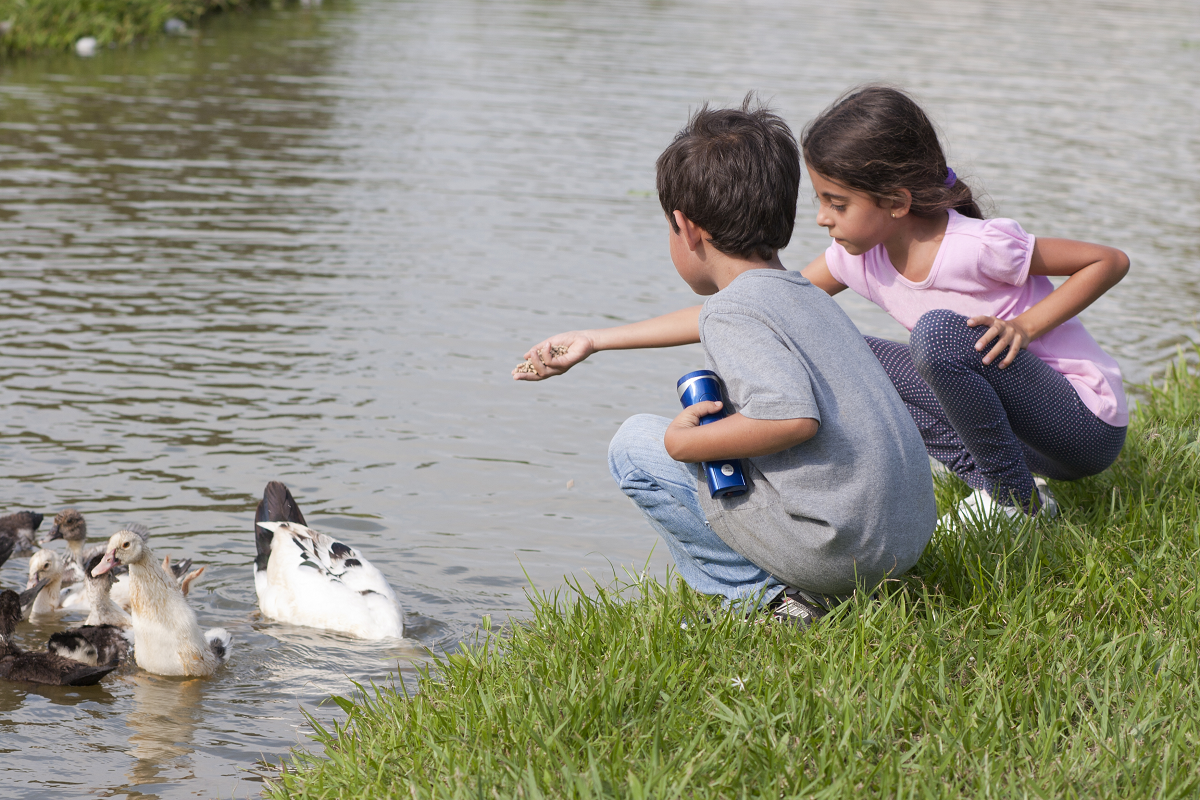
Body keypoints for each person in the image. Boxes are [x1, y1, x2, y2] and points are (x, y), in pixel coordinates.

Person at [514, 98, 936, 624]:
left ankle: (769, 602)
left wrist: (682, 443)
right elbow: (714, 316)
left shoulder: (735, 312)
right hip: (903, 540)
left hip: (841, 553)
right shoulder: (801, 292)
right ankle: (800, 583)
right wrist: (594, 340)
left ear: (685, 228)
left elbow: (790, 418)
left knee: (636, 447)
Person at [798, 86, 1129, 517]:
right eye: (820, 200)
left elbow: (1109, 261)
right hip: (1025, 444)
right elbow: (770, 305)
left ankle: (1012, 506)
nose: (822, 217)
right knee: (835, 344)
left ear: (896, 202)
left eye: (836, 204)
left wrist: (1025, 327)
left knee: (938, 335)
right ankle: (1012, 490)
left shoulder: (976, 246)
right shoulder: (854, 259)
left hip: (1083, 428)